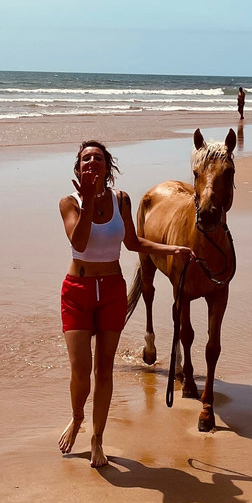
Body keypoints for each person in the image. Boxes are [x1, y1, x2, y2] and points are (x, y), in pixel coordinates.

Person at [58, 140, 195, 468]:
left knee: (104, 370)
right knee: (81, 370)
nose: (92, 161)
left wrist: (170, 250)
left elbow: (132, 243)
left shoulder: (122, 200)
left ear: (108, 167)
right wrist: (88, 200)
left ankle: (97, 438)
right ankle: (77, 418)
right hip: (77, 291)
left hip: (112, 292)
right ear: (79, 169)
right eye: (86, 158)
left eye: (98, 158)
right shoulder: (70, 203)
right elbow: (78, 240)